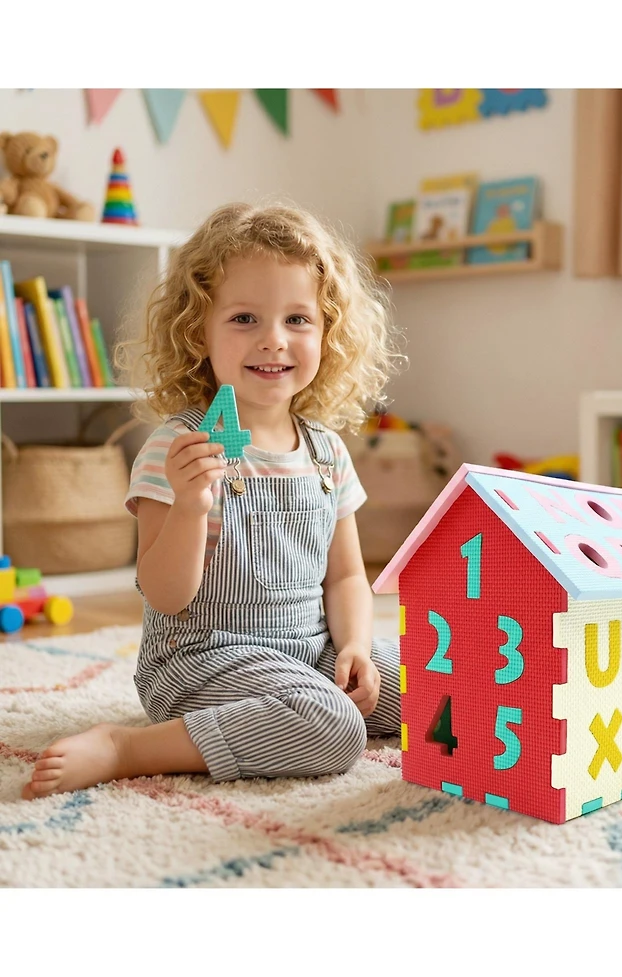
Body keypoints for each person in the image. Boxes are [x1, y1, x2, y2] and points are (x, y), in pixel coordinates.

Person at [22, 201, 404, 800]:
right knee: (333, 726)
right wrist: (190, 507)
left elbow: (347, 576)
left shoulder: (326, 451)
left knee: (442, 673)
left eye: (298, 319)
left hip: (310, 652)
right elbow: (164, 594)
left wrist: (355, 644)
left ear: (328, 332)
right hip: (201, 660)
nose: (273, 340)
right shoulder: (177, 448)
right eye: (245, 318)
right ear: (198, 330)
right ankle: (128, 747)